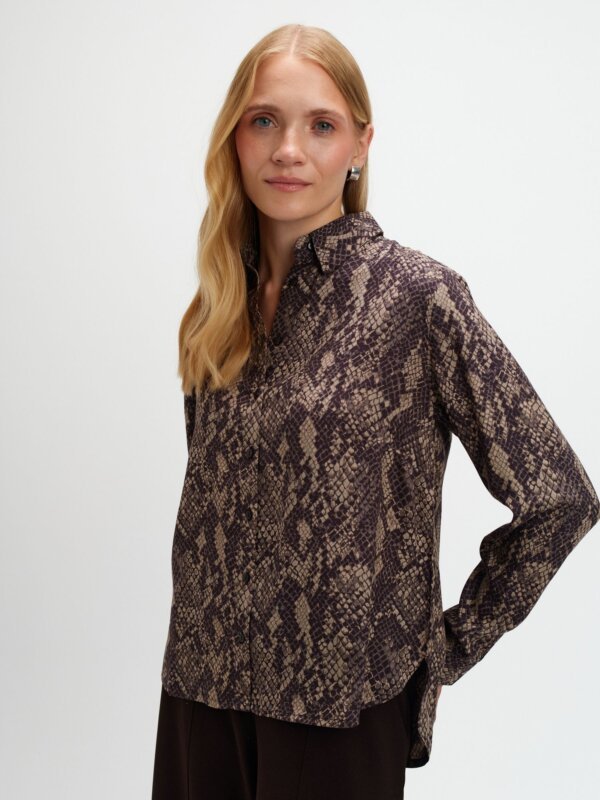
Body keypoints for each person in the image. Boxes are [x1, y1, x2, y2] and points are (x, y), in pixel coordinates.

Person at [152, 23, 600, 800]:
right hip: (200, 692)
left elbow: (559, 497)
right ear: (234, 138)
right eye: (264, 120)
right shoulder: (215, 310)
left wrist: (446, 646)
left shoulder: (417, 298)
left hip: (339, 710)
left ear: (361, 144)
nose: (288, 149)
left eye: (321, 125)